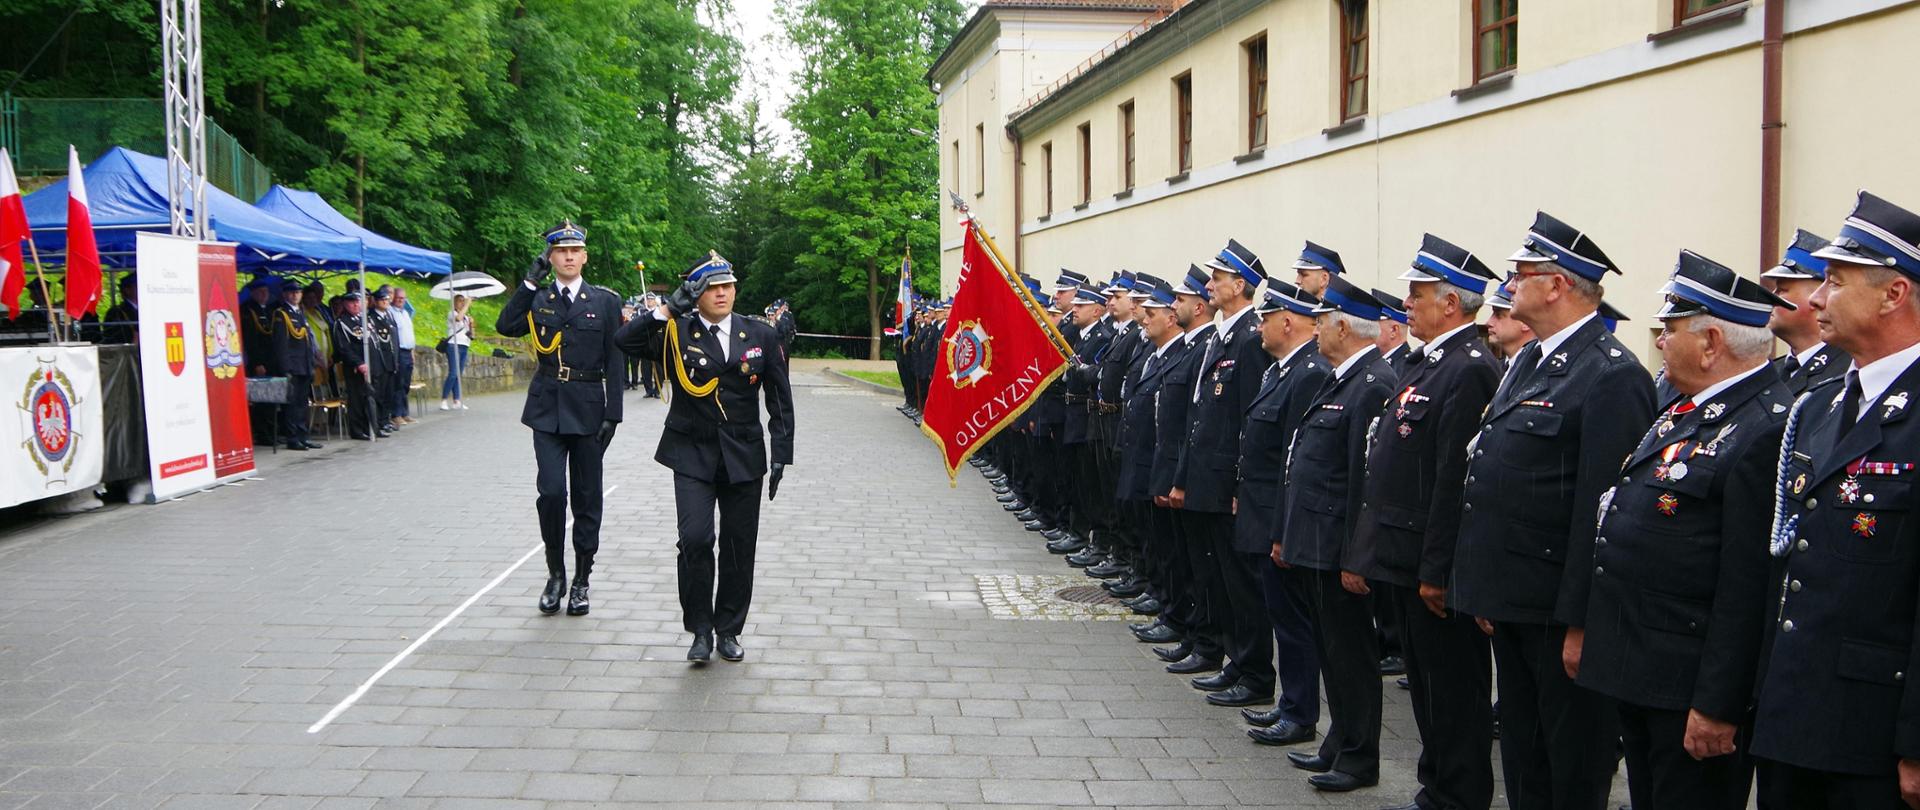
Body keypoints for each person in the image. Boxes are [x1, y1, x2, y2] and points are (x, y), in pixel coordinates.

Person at [1452, 212, 1655, 810]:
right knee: (1523, 751)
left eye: (1521, 275)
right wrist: (1487, 587)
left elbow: (1605, 515)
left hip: (1557, 612)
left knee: (1570, 763)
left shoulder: (1610, 374)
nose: (1509, 288)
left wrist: (1582, 623)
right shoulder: (1533, 360)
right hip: (1516, 599)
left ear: (1558, 284)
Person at [1577, 250, 1788, 810]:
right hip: (1643, 667)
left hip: (1689, 685)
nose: (1661, 341)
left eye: (1669, 330)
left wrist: (1718, 704)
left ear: (1712, 341)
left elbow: (1747, 586)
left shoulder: (1764, 429)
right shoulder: (1685, 408)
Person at [1750, 190, 1920, 809]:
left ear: (1893, 294)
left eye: (1835, 281)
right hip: (1794, 710)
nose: (1816, 299)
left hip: (1873, 730)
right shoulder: (1819, 404)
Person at [1352, 234, 1503, 810]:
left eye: (1416, 295)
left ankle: (1459, 792)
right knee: (1428, 688)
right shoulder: (1427, 363)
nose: (1405, 305)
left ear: (1450, 303)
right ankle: (1435, 782)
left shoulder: (1468, 369)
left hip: (1431, 562)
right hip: (1404, 553)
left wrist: (1437, 569)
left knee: (1454, 689)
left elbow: (1451, 479)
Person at [615, 251, 793, 663]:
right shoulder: (677, 332)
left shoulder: (761, 335)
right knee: (695, 540)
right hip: (691, 451)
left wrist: (782, 451)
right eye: (712, 288)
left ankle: (729, 628)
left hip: (744, 454)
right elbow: (623, 342)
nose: (722, 294)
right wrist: (666, 308)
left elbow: (780, 400)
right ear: (696, 293)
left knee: (738, 546)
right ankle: (700, 628)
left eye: (727, 286)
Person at [1278, 274, 1398, 794]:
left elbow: (1364, 481)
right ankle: (1338, 740)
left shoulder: (1372, 383)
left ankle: (1358, 757)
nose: (1317, 331)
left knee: (1351, 656)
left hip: (1337, 548)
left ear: (1342, 326)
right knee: (1332, 652)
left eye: (1322, 321)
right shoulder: (1340, 377)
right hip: (1316, 542)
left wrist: (1356, 556)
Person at [495, 219, 626, 617]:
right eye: (560, 251)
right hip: (548, 407)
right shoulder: (539, 297)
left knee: (587, 500)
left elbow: (615, 358)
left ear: (584, 256)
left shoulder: (604, 301)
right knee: (551, 494)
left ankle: (582, 579)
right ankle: (556, 574)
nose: (568, 256)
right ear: (550, 257)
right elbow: (506, 325)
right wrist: (528, 285)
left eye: (575, 251)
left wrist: (614, 413)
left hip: (589, 408)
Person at [1174, 239, 1276, 711]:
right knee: (1218, 576)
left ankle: (1255, 670)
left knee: (1240, 583)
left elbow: (1247, 420)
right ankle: (1234, 659)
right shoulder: (1221, 334)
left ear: (1241, 286)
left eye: (1218, 278)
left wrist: (1239, 484)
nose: (1209, 284)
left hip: (1226, 484)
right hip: (1205, 479)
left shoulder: (1252, 340)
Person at [1236, 279, 1330, 749]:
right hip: (1262, 510)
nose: (1258, 328)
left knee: (1293, 622)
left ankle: (1299, 712)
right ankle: (1289, 702)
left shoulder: (1308, 373)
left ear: (1287, 322)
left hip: (1280, 516)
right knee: (1281, 617)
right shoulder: (1280, 371)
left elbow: (1295, 461)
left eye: (1264, 319)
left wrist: (1283, 529)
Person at [1762, 229, 1850, 395]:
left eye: (1782, 290)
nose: (1773, 298)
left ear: (1817, 296)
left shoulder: (1846, 369)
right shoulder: (1770, 372)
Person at [269, 278, 323, 451]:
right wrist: (285, 369)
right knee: (292, 406)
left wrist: (311, 364)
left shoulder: (300, 313)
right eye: (292, 292)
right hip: (292, 366)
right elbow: (280, 345)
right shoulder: (281, 314)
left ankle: (303, 436)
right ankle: (293, 438)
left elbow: (306, 342)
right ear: (285, 294)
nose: (296, 295)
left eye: (298, 292)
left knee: (302, 404)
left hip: (304, 365)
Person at [330, 291, 384, 440]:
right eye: (352, 302)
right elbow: (343, 348)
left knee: (371, 397)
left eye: (358, 301)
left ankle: (372, 426)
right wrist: (358, 362)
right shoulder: (342, 323)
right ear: (346, 304)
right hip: (355, 368)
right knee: (357, 399)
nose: (355, 304)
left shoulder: (363, 319)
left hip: (372, 365)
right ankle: (358, 430)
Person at [367, 286, 402, 434]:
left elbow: (394, 338)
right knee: (380, 394)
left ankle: (385, 419)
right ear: (375, 301)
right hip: (380, 361)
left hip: (391, 360)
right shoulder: (372, 318)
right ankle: (380, 422)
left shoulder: (388, 315)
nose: (386, 302)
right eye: (382, 300)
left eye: (387, 300)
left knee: (389, 393)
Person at [389, 287, 418, 424]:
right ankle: (396, 414)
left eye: (403, 298)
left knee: (406, 384)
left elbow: (409, 333)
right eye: (398, 297)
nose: (401, 300)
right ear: (393, 298)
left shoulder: (405, 313)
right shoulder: (391, 312)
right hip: (398, 351)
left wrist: (412, 351)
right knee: (398, 384)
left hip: (408, 351)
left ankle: (405, 412)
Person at [442, 293, 473, 410]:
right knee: (453, 373)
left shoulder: (466, 317)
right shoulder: (452, 313)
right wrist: (468, 304)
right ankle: (444, 399)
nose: (462, 303)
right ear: (454, 302)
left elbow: (471, 334)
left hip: (464, 345)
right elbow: (458, 318)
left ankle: (457, 400)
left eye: (463, 301)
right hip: (453, 345)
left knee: (458, 375)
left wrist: (471, 325)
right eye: (460, 301)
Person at [100, 273, 138, 345]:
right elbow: (112, 339)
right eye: (137, 286)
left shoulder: (147, 310)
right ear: (127, 290)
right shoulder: (115, 312)